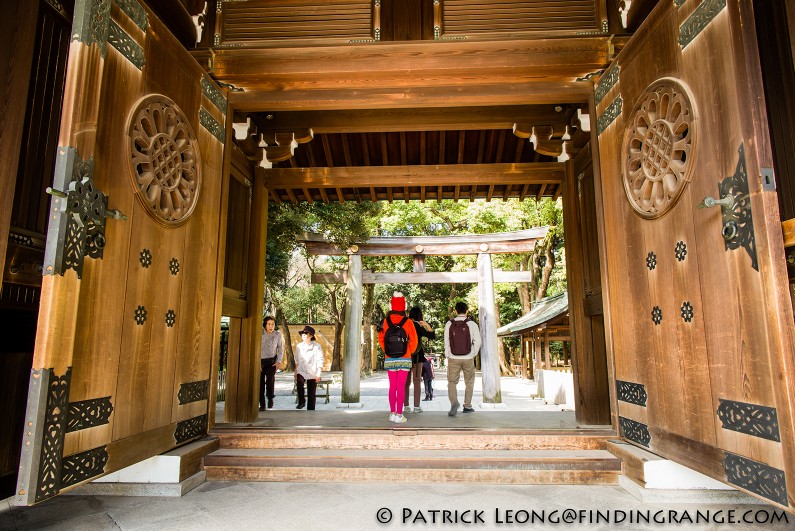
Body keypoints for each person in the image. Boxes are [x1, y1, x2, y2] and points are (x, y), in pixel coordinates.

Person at [378, 292, 418, 423]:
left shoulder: (385, 321)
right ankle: (399, 415)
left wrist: (387, 351)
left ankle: (392, 413)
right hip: (404, 358)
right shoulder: (408, 322)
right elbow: (414, 341)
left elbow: (381, 339)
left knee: (392, 386)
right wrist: (408, 352)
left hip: (390, 358)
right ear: (404, 306)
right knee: (401, 386)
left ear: (391, 305)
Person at [444, 301, 481, 416]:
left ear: (455, 311)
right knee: (469, 382)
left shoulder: (449, 324)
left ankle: (454, 403)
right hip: (468, 357)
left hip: (453, 358)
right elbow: (478, 342)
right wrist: (472, 354)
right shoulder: (472, 324)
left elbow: (446, 342)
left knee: (451, 382)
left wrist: (448, 355)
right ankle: (467, 406)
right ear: (467, 311)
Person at [405, 306, 435, 413]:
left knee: (406, 383)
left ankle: (406, 406)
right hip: (417, 357)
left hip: (406, 357)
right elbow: (432, 335)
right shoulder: (418, 327)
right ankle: (417, 407)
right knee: (416, 381)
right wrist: (426, 325)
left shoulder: (406, 325)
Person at [294, 325, 324, 410]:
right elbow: (296, 360)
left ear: (311, 335)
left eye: (306, 333)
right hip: (301, 370)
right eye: (302, 333)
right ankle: (301, 401)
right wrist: (295, 372)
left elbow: (320, 360)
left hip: (312, 371)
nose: (303, 334)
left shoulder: (317, 346)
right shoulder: (299, 346)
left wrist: (318, 373)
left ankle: (311, 410)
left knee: (311, 393)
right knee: (299, 382)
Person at [260, 316, 284, 411]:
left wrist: (279, 361)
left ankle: (270, 398)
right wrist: (257, 363)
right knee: (260, 383)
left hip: (272, 362)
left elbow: (280, 348)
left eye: (273, 324)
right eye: (269, 324)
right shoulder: (260, 333)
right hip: (261, 362)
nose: (271, 326)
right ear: (265, 325)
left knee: (270, 380)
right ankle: (262, 405)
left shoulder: (278, 335)